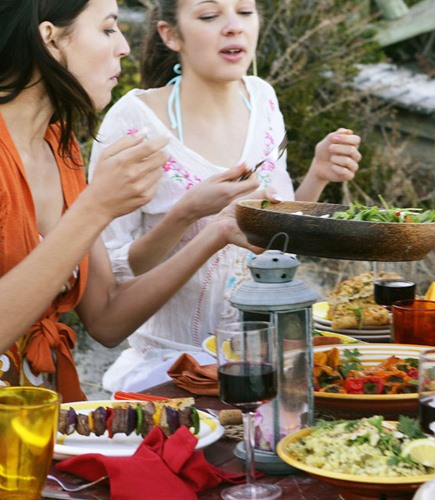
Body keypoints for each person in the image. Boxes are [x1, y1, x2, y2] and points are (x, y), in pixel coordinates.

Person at [88, 0, 362, 393]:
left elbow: (274, 240)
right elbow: (118, 276)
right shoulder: (134, 122)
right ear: (170, 34)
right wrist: (185, 215)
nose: (233, 27)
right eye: (209, 15)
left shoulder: (262, 98)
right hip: (171, 372)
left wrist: (317, 176)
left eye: (245, 12)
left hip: (267, 363)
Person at [0, 0, 266, 403]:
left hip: (44, 420)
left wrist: (217, 232)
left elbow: (107, 319)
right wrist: (96, 207)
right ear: (50, 40)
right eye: (108, 29)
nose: (123, 47)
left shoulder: (62, 149)